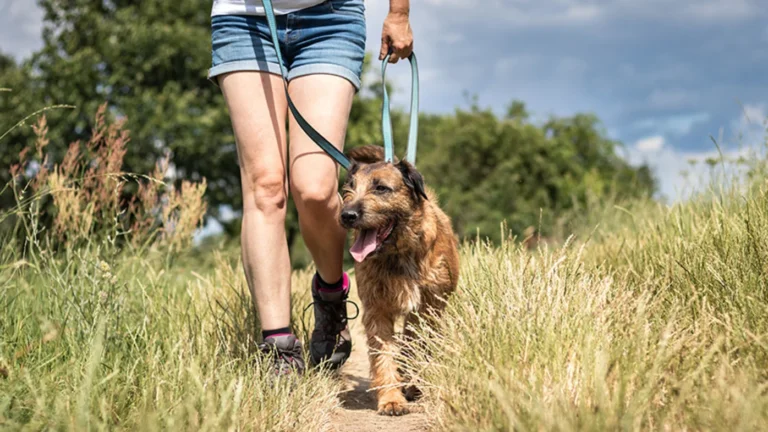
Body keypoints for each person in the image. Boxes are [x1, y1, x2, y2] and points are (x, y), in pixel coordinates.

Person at [208, 0, 414, 375]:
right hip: (242, 19)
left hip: (330, 18)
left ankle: (331, 297)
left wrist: (398, 12)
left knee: (315, 189)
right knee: (265, 186)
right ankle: (279, 346)